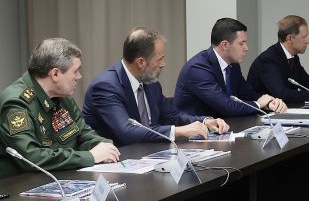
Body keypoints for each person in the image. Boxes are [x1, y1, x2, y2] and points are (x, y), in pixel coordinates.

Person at [83, 27, 229, 146]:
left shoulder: (149, 81)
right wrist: (178, 131)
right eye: (160, 59)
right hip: (118, 160)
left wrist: (205, 121)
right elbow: (126, 132)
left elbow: (171, 115)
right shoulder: (106, 87)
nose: (163, 64)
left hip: (151, 153)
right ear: (141, 62)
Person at [0, 38, 119, 178]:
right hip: (21, 184)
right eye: (76, 71)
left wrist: (103, 146)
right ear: (55, 74)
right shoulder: (17, 103)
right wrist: (90, 156)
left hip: (60, 177)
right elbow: (31, 158)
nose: (79, 77)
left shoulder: (62, 97)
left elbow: (83, 134)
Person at [174, 18, 287, 117]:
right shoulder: (198, 68)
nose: (246, 48)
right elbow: (226, 107)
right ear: (225, 45)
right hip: (196, 130)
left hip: (224, 126)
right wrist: (258, 104)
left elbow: (247, 94)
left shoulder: (233, 65)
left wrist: (269, 103)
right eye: (241, 43)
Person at [247, 15, 309, 104]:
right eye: (304, 37)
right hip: (261, 113)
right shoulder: (269, 59)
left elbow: (305, 82)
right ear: (290, 38)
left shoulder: (293, 57)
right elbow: (282, 94)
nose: (308, 41)